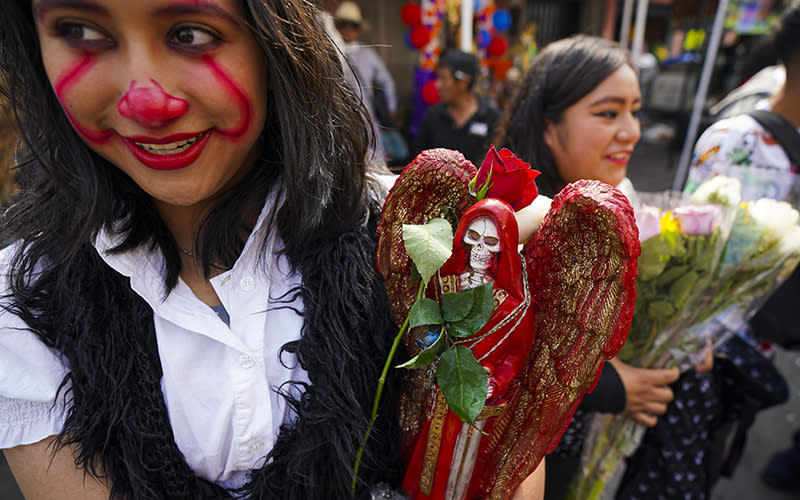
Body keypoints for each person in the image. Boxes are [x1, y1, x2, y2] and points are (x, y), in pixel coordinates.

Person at [0, 1, 404, 499]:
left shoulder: (409, 238)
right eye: (80, 30)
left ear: (276, 43)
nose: (145, 102)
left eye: (190, 34)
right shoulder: (22, 304)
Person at [495, 34, 683, 500]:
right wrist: (611, 389)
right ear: (548, 126)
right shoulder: (506, 222)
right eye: (608, 113)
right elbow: (497, 362)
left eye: (635, 110)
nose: (633, 130)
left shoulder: (626, 199)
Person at [687, 0, 800, 492]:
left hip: (771, 335)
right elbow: (689, 250)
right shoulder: (736, 140)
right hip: (712, 344)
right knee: (698, 451)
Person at [334, 1, 401, 162]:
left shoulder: (368, 54)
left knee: (375, 161)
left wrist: (390, 108)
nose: (348, 30)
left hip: (367, 115)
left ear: (359, 29)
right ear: (336, 25)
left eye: (353, 25)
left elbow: (387, 81)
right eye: (343, 24)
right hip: (338, 118)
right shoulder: (330, 50)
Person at [415, 50, 501, 167]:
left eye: (443, 78)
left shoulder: (492, 118)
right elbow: (418, 163)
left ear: (463, 81)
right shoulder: (432, 117)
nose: (437, 85)